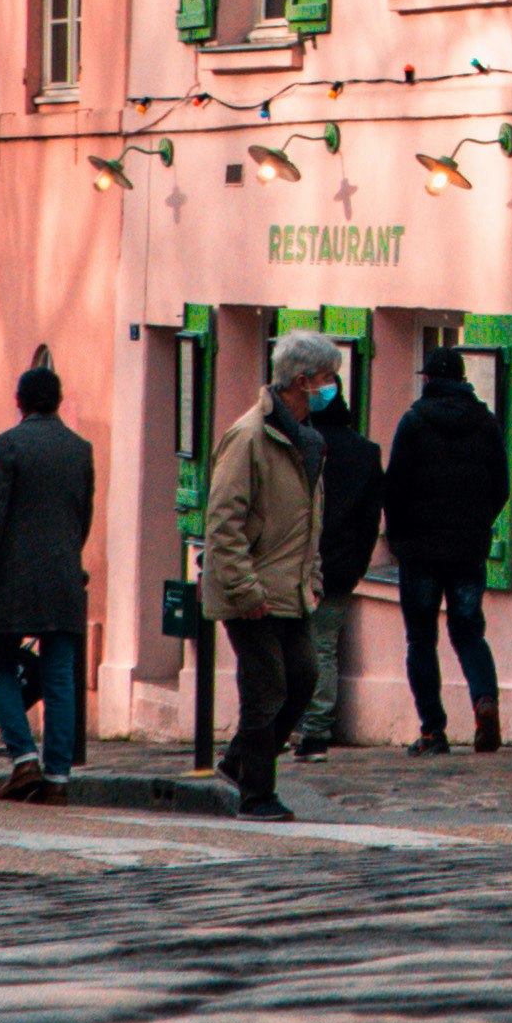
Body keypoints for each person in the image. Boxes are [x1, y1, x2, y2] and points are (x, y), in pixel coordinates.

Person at [199, 331, 332, 824]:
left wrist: (312, 576)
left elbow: (308, 522)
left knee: (303, 677)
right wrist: (244, 589)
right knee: (266, 686)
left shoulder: (308, 442)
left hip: (291, 588)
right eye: (326, 379)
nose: (331, 387)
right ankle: (257, 793)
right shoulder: (250, 436)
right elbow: (224, 521)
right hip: (250, 589)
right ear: (301, 381)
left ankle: (237, 762)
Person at [0, 354, 97, 800]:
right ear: (58, 401)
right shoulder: (80, 449)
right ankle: (58, 774)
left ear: (19, 402)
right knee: (60, 674)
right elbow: (84, 515)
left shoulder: (10, 445)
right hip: (63, 578)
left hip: (10, 580)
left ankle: (23, 759)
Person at [381, 337, 510, 751]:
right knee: (470, 633)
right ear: (463, 380)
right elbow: (501, 487)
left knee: (421, 640)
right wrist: (479, 525)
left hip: (420, 552)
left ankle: (433, 731)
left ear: (430, 380)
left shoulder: (414, 422)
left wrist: (398, 539)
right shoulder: (486, 423)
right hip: (468, 550)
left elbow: (394, 488)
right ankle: (485, 701)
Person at [291, 352, 386, 751]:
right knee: (323, 646)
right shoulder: (365, 451)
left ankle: (299, 725)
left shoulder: (302, 446)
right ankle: (317, 727)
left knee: (290, 646)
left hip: (295, 563)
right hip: (342, 565)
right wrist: (359, 562)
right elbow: (371, 517)